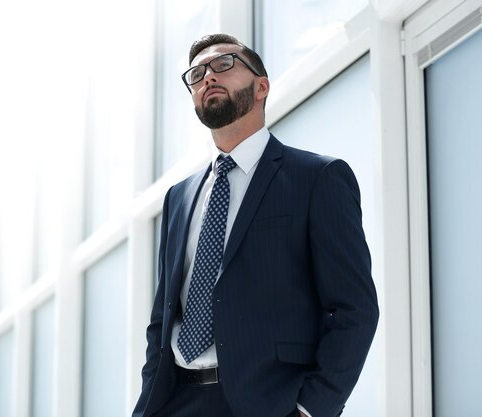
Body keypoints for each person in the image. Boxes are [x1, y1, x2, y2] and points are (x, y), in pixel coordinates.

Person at [132, 33, 379, 417]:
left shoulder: (317, 178)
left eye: (224, 64)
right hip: (176, 401)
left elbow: (355, 309)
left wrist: (312, 408)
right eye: (196, 74)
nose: (208, 76)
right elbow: (162, 320)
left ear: (261, 86)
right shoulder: (178, 198)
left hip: (268, 404)